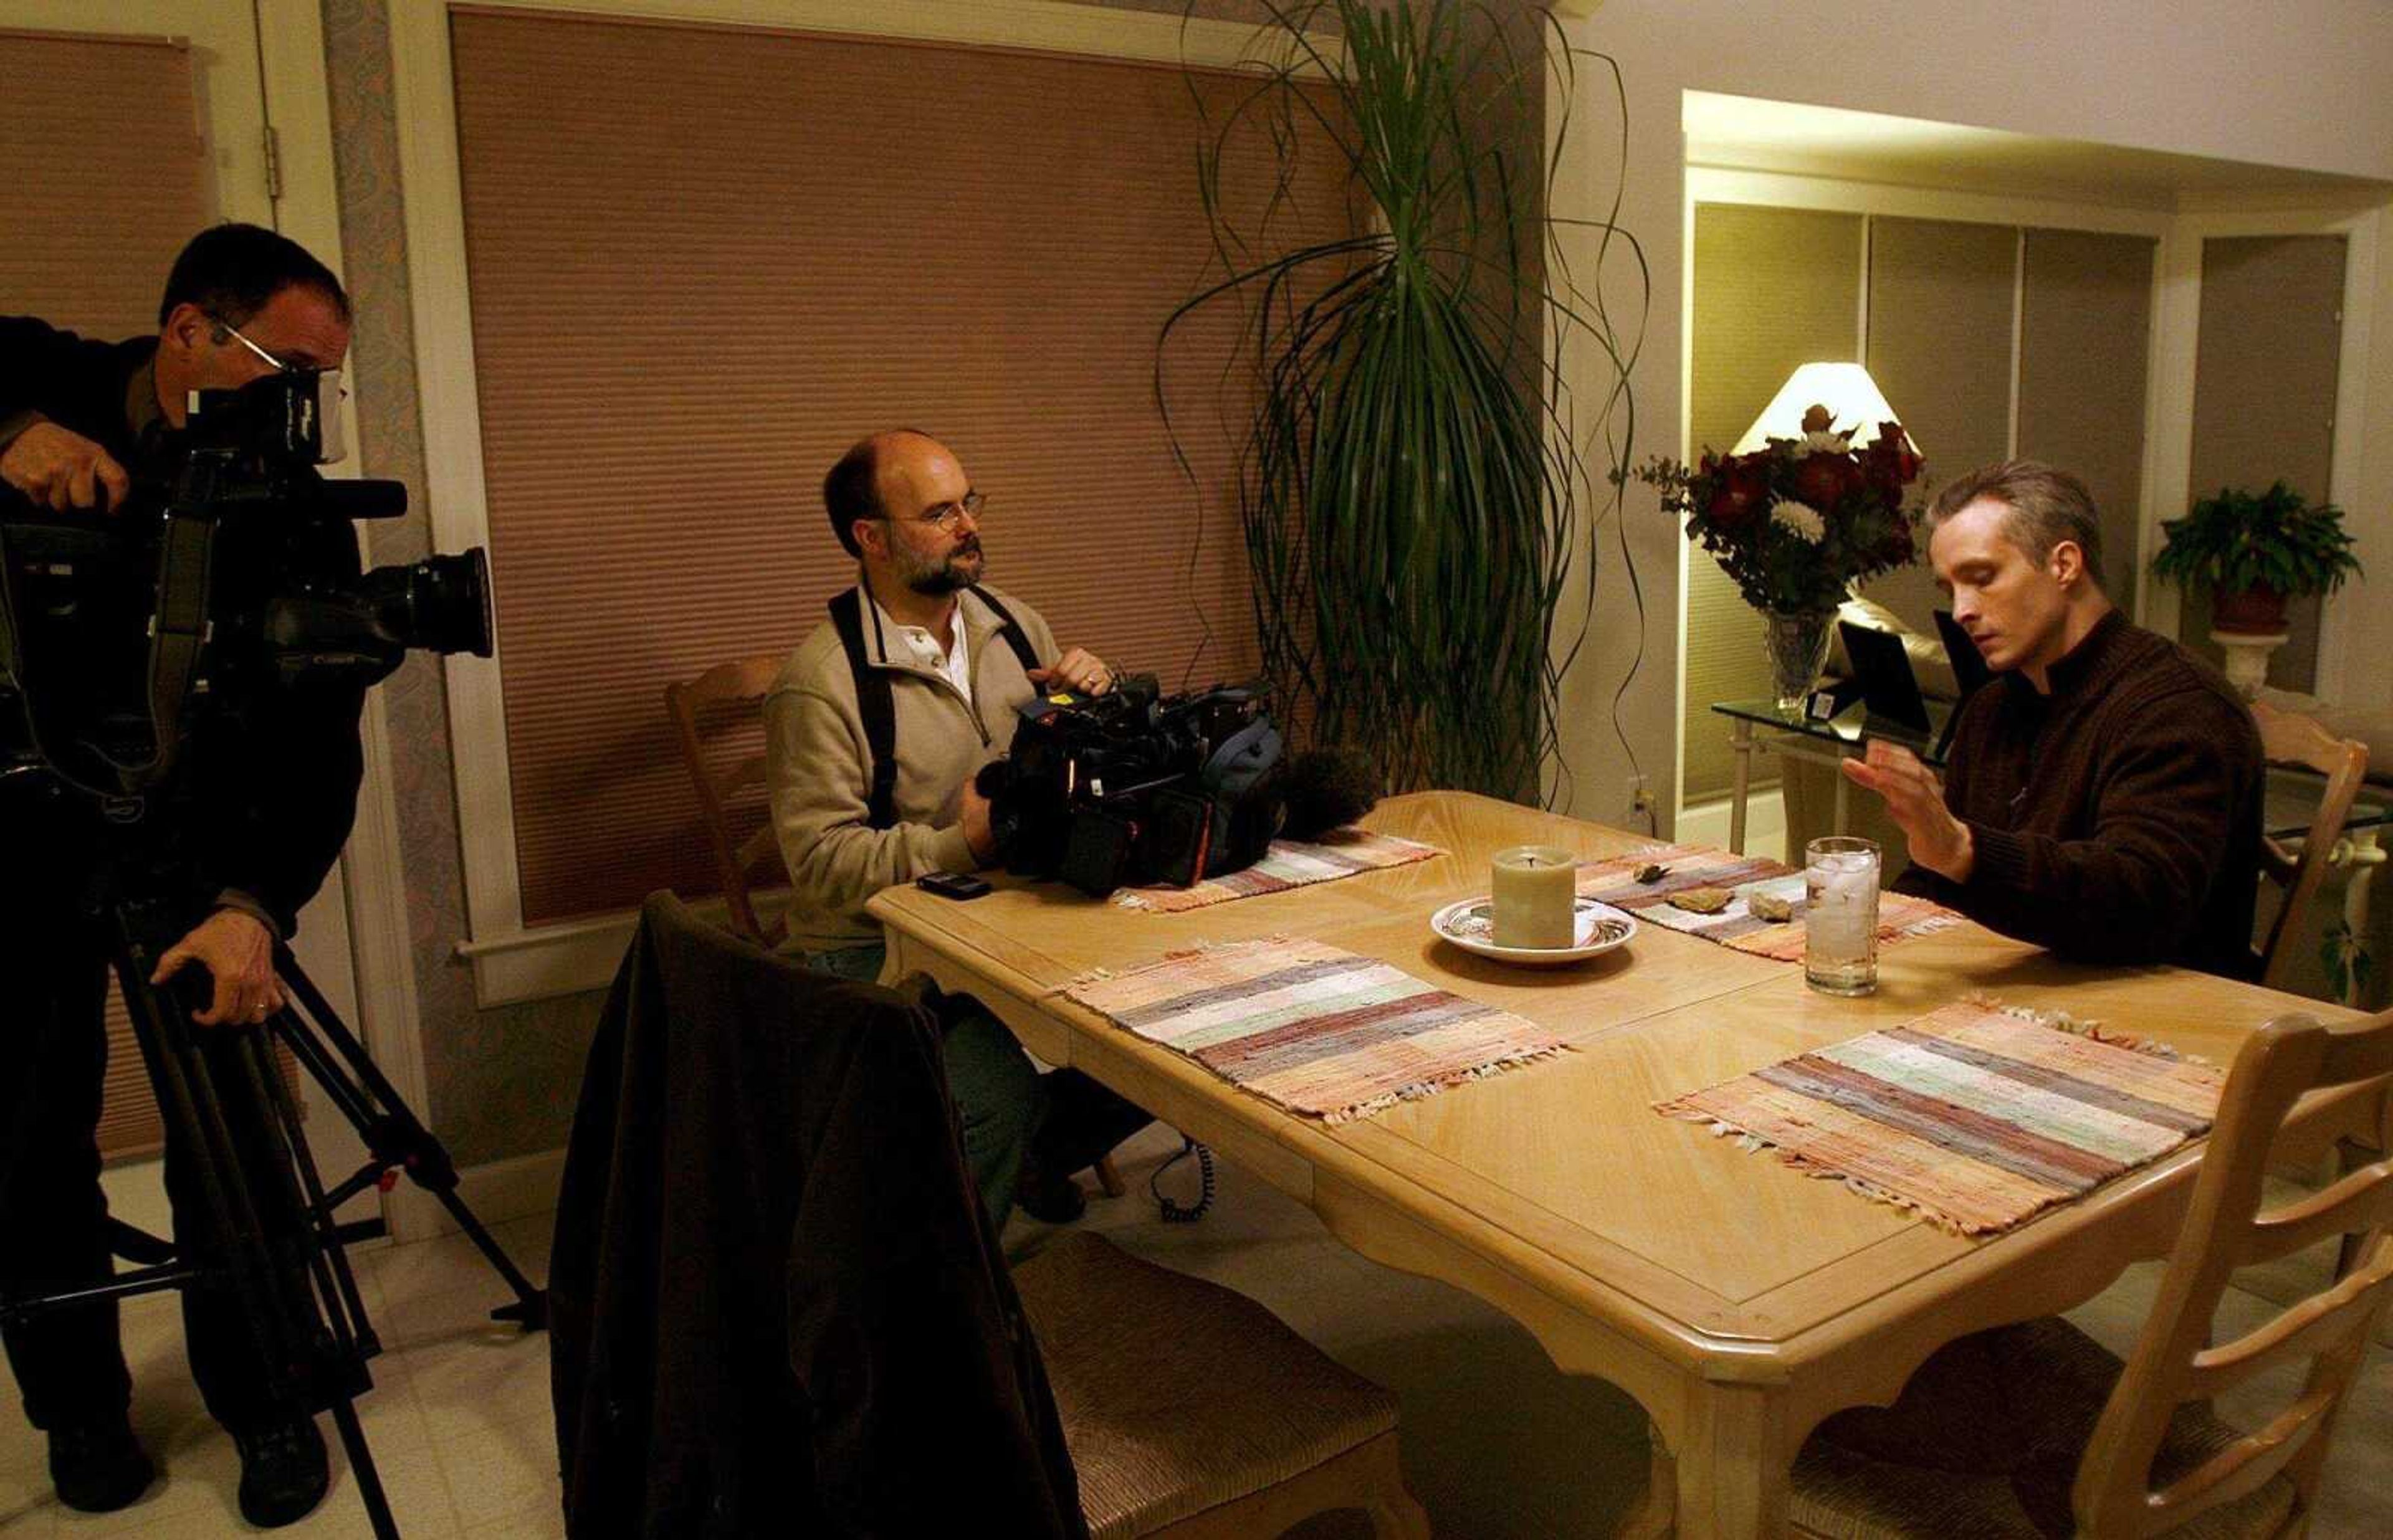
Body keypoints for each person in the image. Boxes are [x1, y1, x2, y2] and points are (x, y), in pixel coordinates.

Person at [0, 224, 366, 1524]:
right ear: (188, 335)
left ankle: (267, 1401)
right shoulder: (49, 376)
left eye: (322, 379)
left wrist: (253, 906)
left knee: (235, 1134)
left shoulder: (294, 501)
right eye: (282, 368)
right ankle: (79, 1417)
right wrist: (8, 433)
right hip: (15, 825)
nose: (300, 406)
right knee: (25, 1134)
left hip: (195, 842)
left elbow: (325, 743)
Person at [764, 429, 1149, 1228]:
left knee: (1166, 1035)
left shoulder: (1012, 624)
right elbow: (821, 866)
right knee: (997, 1099)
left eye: (969, 502)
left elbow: (1067, 765)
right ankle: (955, 1286)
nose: (969, 526)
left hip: (1007, 917)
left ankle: (1024, 1164)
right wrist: (958, 844)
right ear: (870, 538)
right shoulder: (821, 686)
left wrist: (1097, 699)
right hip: (874, 949)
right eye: (939, 513)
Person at [1840, 459, 2263, 977]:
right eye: (1951, 590)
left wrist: (1962, 849)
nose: (1961, 612)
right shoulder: (1991, 708)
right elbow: (1938, 882)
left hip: (2157, 1017)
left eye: (1982, 578)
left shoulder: (2180, 707)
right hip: (2014, 993)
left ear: (2064, 565)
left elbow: (2143, 906)